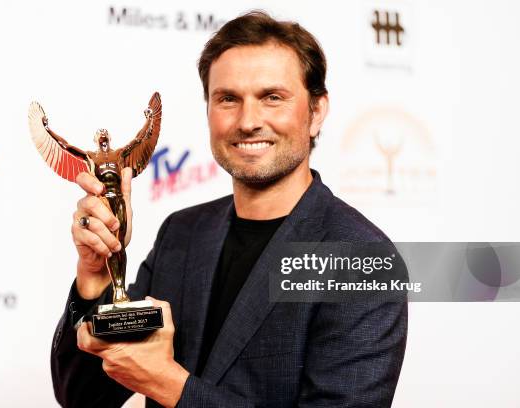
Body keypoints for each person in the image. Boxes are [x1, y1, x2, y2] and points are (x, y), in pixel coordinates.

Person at [51, 11, 407, 408]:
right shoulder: (182, 234)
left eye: (272, 97)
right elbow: (82, 395)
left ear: (316, 111)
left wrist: (173, 387)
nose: (248, 121)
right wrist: (95, 271)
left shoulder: (361, 258)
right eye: (228, 99)